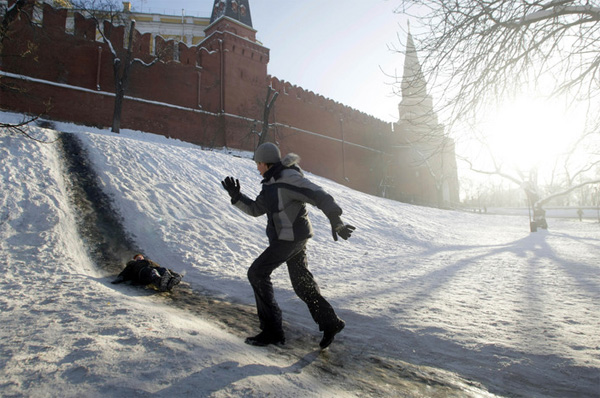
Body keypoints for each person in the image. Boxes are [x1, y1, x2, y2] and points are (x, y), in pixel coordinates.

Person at [221, 142, 356, 349]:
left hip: (290, 239)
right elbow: (256, 209)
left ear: (266, 163)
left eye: (258, 163)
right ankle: (330, 322)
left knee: (257, 273)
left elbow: (320, 195)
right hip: (288, 239)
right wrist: (237, 197)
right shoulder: (270, 184)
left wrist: (335, 220)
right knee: (301, 283)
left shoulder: (289, 179)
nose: (257, 167)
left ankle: (272, 331)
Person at [112, 254, 182, 292]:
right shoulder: (133, 264)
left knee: (163, 269)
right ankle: (159, 283)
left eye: (141, 257)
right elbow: (125, 272)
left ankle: (172, 280)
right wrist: (119, 278)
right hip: (142, 274)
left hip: (152, 269)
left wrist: (170, 272)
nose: (139, 258)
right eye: (137, 257)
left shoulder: (149, 262)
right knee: (152, 272)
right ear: (135, 259)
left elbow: (159, 268)